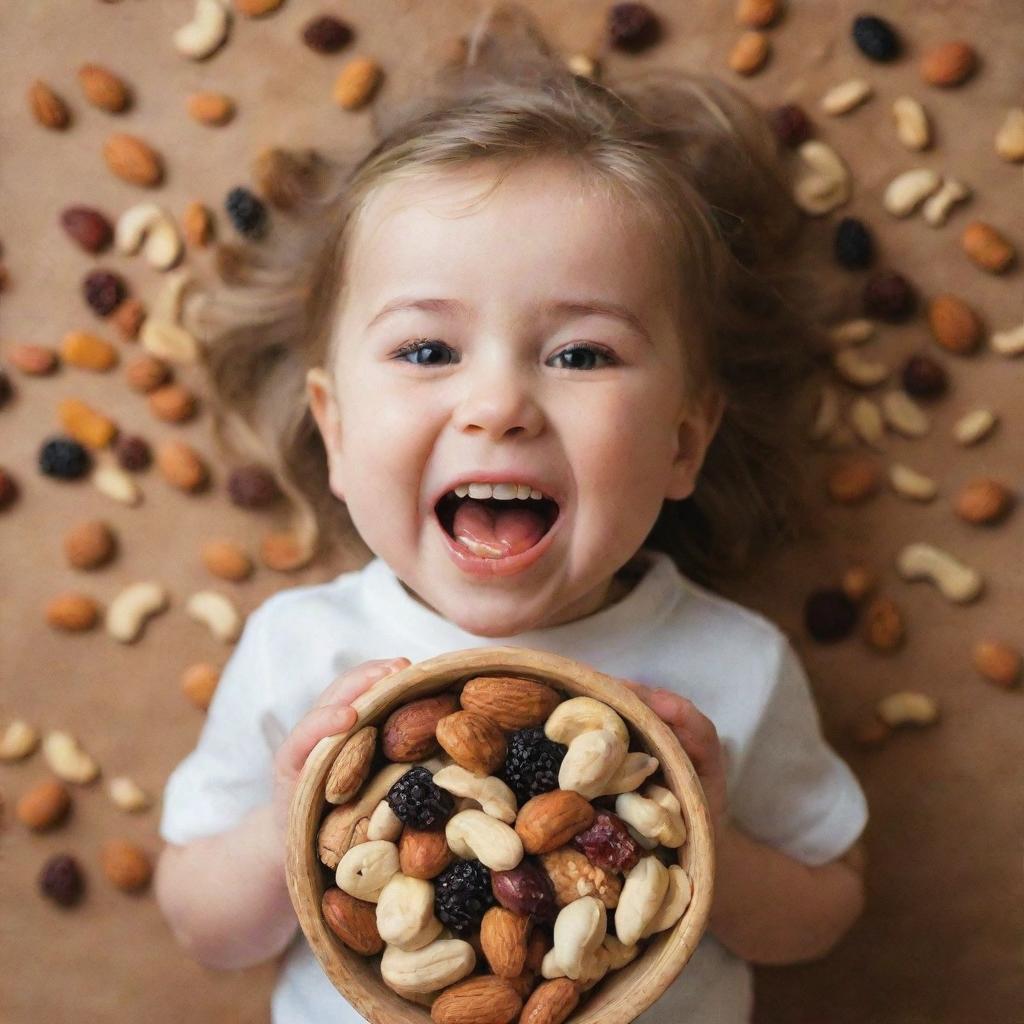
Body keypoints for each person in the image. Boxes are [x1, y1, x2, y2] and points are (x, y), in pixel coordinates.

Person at [155, 7, 868, 1022]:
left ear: (681, 443)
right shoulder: (300, 653)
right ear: (337, 429)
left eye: (580, 354)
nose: (498, 405)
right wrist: (289, 821)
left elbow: (824, 913)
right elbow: (203, 927)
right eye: (426, 350)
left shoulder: (732, 667)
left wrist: (711, 839)